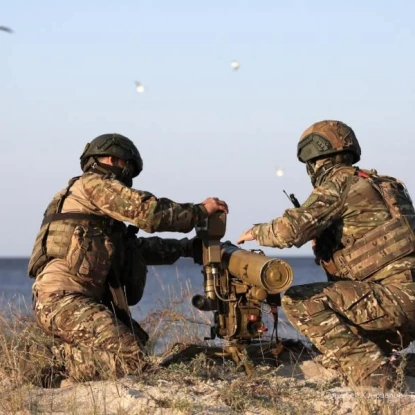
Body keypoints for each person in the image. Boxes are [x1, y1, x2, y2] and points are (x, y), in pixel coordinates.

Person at [28, 133, 228, 381]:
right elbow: (149, 213)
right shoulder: (94, 185)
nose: (128, 177)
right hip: (64, 299)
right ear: (112, 159)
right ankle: (47, 360)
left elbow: (136, 248)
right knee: (131, 359)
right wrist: (200, 211)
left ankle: (59, 366)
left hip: (67, 301)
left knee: (135, 347)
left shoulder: (94, 216)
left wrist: (187, 248)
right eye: (128, 168)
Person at [237, 120, 415, 389]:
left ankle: (373, 374)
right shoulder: (387, 186)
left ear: (313, 159)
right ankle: (392, 364)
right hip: (401, 299)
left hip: (396, 300)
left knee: (300, 300)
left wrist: (255, 232)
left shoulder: (340, 183)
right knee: (346, 338)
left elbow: (290, 231)